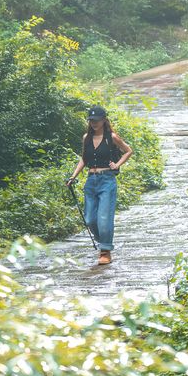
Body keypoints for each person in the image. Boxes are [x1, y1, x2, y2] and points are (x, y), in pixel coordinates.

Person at [66, 105, 133, 265]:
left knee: (104, 218)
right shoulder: (86, 138)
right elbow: (84, 159)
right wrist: (73, 176)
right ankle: (103, 239)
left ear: (104, 120)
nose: (93, 123)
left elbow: (128, 150)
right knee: (90, 220)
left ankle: (105, 251)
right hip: (91, 181)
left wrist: (117, 165)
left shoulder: (112, 137)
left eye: (96, 120)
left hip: (107, 181)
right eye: (91, 120)